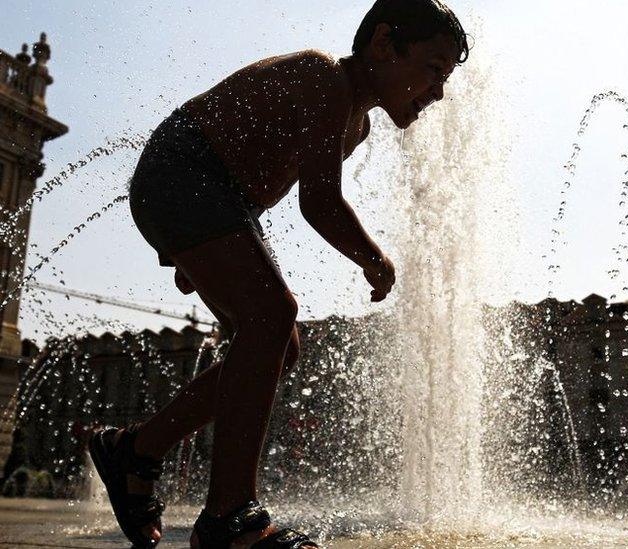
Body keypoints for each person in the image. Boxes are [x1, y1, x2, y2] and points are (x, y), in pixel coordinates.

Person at [87, 1, 468, 547]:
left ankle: (137, 449)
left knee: (277, 344)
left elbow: (263, 182)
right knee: (271, 314)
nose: (438, 91)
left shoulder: (353, 125)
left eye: (446, 78)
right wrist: (373, 259)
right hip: (183, 170)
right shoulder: (323, 78)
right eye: (433, 69)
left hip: (217, 200)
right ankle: (229, 517)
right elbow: (319, 203)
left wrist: (211, 254)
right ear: (384, 45)